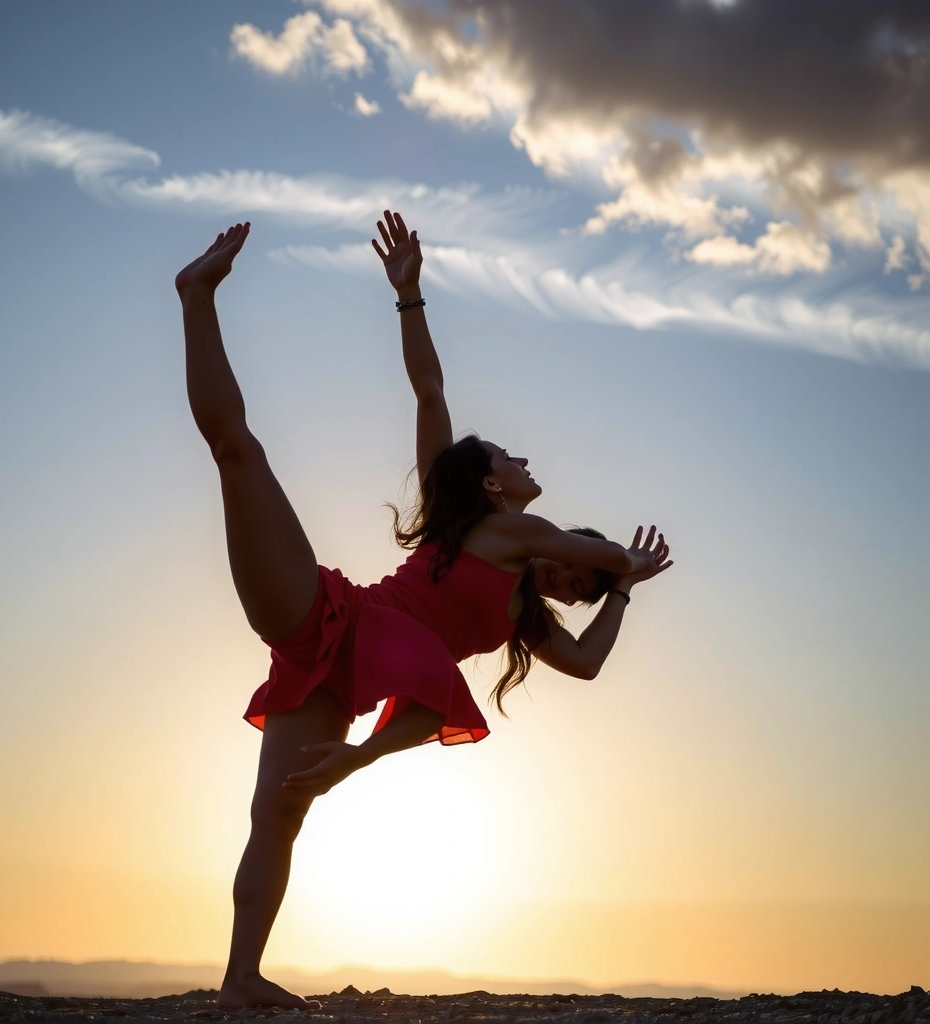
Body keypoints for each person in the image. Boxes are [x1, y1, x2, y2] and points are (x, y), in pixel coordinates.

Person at [174, 220, 671, 1012]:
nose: (525, 460)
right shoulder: (484, 527)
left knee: (278, 819)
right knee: (239, 452)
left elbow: (585, 662)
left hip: (346, 688)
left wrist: (622, 590)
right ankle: (196, 295)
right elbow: (431, 391)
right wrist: (409, 295)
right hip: (322, 616)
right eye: (512, 457)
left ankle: (239, 981)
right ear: (492, 485)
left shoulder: (520, 615)